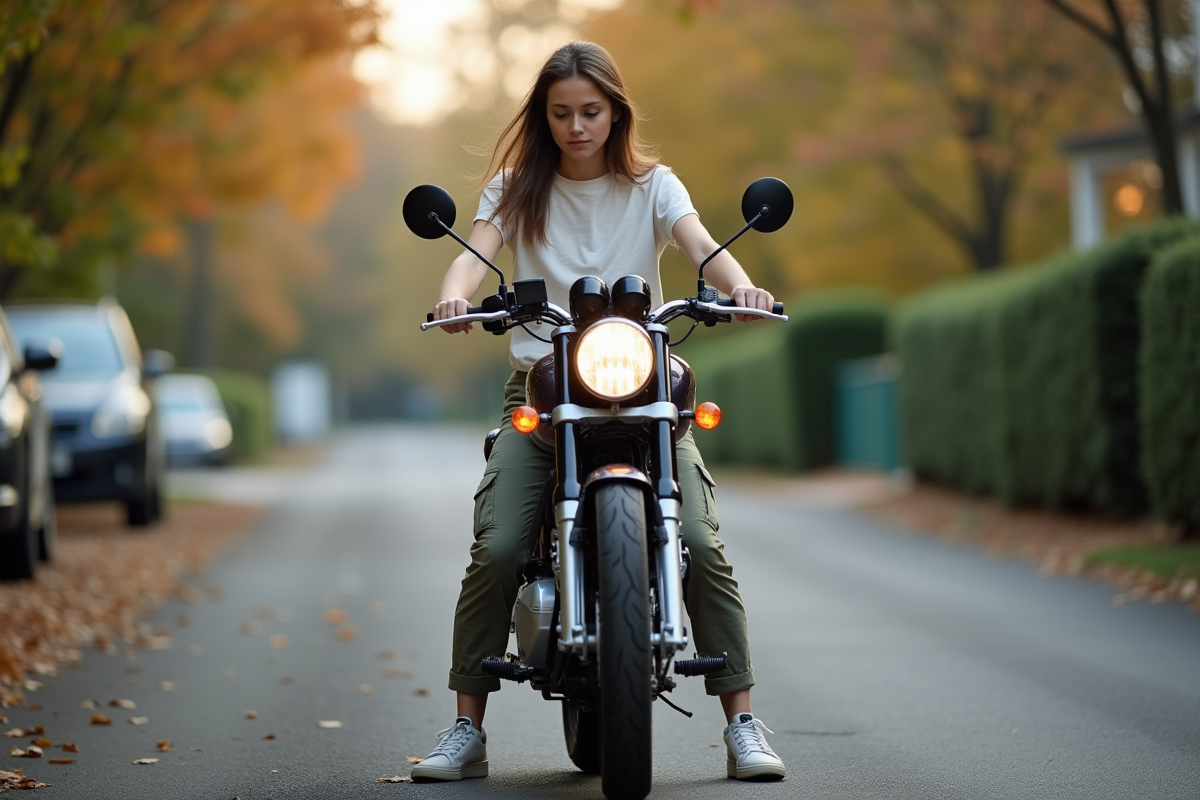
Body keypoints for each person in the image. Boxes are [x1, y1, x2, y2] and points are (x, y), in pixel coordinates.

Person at [411, 40, 786, 784]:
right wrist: (454, 293)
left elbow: (703, 247)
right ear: (542, 117)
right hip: (545, 392)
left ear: (616, 111)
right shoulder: (516, 189)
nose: (577, 125)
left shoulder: (654, 185)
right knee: (500, 543)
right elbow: (475, 255)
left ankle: (742, 721)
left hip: (643, 391)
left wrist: (742, 287)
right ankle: (466, 728)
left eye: (591, 110)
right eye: (561, 113)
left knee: (703, 547)